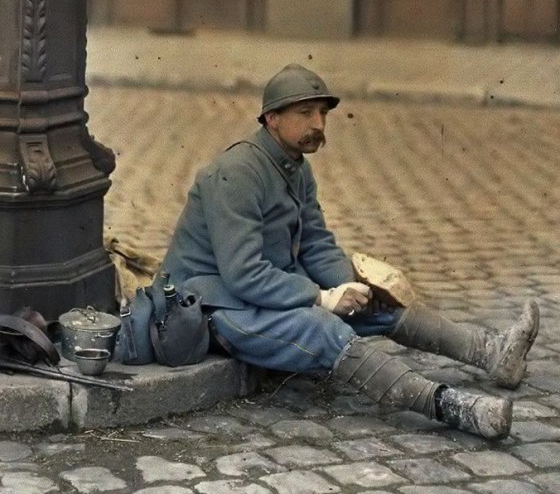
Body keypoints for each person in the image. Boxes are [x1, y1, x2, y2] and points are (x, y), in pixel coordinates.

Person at [162, 63, 539, 440]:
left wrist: (354, 289)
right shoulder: (237, 173)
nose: (319, 125)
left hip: (258, 295)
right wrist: (323, 298)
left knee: (378, 308)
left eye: (323, 114)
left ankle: (492, 354)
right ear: (272, 119)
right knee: (324, 329)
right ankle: (454, 407)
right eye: (306, 113)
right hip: (210, 307)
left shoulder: (295, 167)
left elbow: (315, 243)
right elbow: (242, 274)